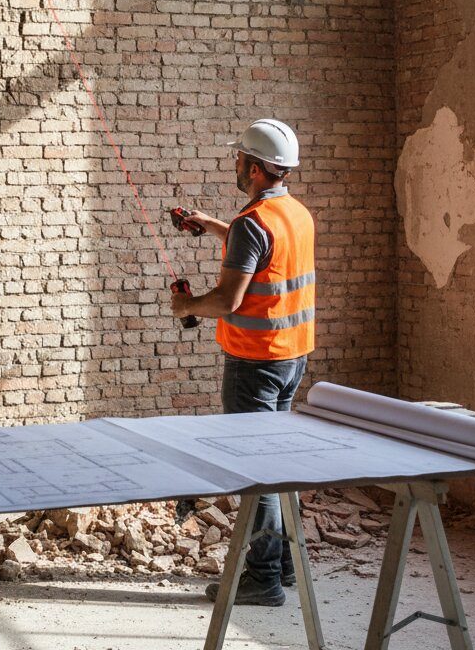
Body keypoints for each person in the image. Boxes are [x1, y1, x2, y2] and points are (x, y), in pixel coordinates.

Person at [170, 118, 315, 607]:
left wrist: (187, 307)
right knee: (280, 463)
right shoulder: (295, 214)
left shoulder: (252, 225)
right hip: (291, 357)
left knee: (256, 472)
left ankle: (262, 577)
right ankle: (287, 565)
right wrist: (212, 225)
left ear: (254, 168)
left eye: (238, 159)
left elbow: (229, 300)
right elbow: (258, 250)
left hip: (254, 363)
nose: (235, 164)